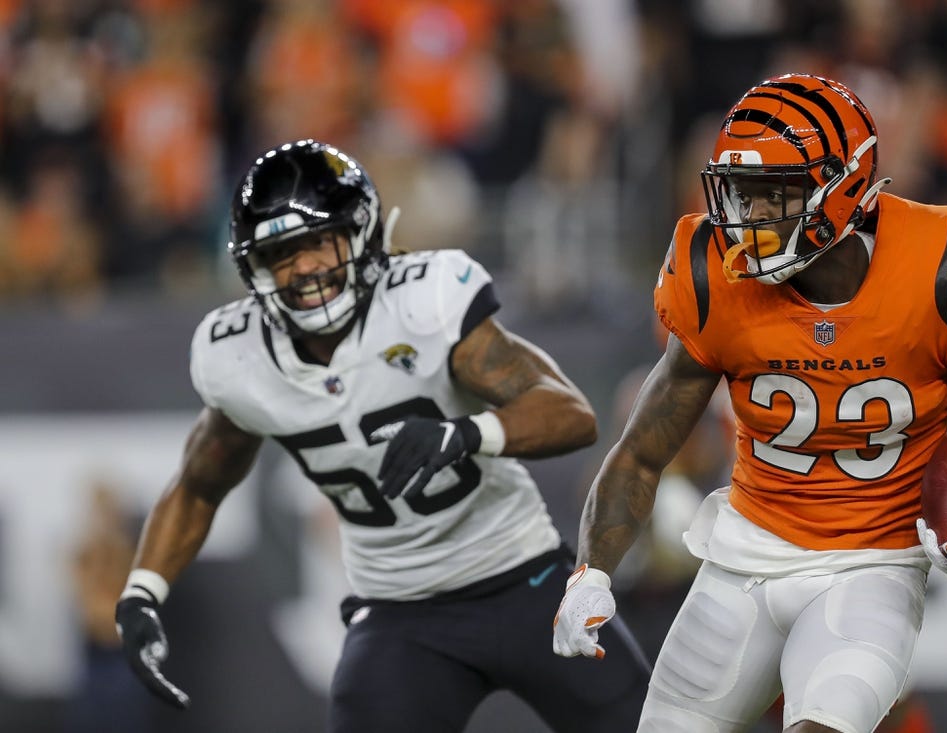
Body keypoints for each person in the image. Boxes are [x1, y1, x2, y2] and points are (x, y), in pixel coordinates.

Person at [552, 73, 947, 733]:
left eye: (770, 199)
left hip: (873, 565)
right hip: (742, 559)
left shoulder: (940, 267)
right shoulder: (713, 276)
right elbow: (642, 451)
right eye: (739, 197)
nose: (745, 221)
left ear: (843, 190)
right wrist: (591, 572)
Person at [114, 139, 650, 732]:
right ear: (253, 267)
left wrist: (467, 434)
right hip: (399, 613)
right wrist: (142, 591)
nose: (306, 267)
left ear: (361, 233)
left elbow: (570, 412)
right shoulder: (238, 358)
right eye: (281, 253)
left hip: (522, 578)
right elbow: (198, 485)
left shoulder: (424, 301)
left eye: (318, 241)